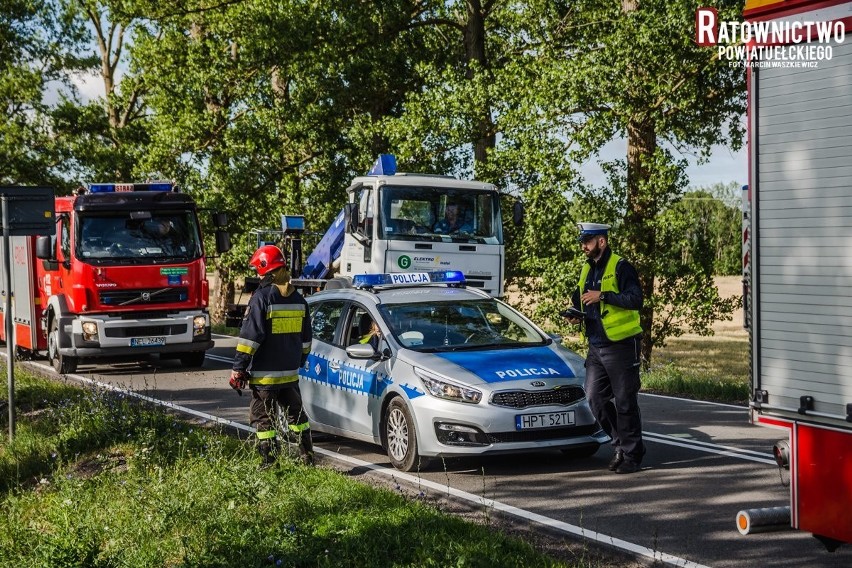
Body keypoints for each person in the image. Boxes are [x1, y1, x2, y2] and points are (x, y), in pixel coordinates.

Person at [563, 222, 645, 474]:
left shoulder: (621, 266)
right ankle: (620, 444)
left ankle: (632, 455)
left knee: (624, 402)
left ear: (602, 241)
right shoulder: (586, 268)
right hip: (596, 345)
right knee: (594, 397)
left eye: (587, 241)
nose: (583, 246)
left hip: (621, 345)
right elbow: (583, 301)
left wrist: (604, 295)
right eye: (582, 242)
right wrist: (576, 315)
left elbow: (636, 300)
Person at [229, 245, 314, 466]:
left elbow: (250, 337)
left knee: (264, 420)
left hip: (265, 377)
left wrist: (239, 368)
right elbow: (306, 341)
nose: (257, 275)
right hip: (290, 376)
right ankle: (308, 460)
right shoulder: (299, 299)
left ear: (265, 269)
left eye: (258, 270)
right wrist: (298, 362)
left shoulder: (262, 298)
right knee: (297, 419)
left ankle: (270, 464)